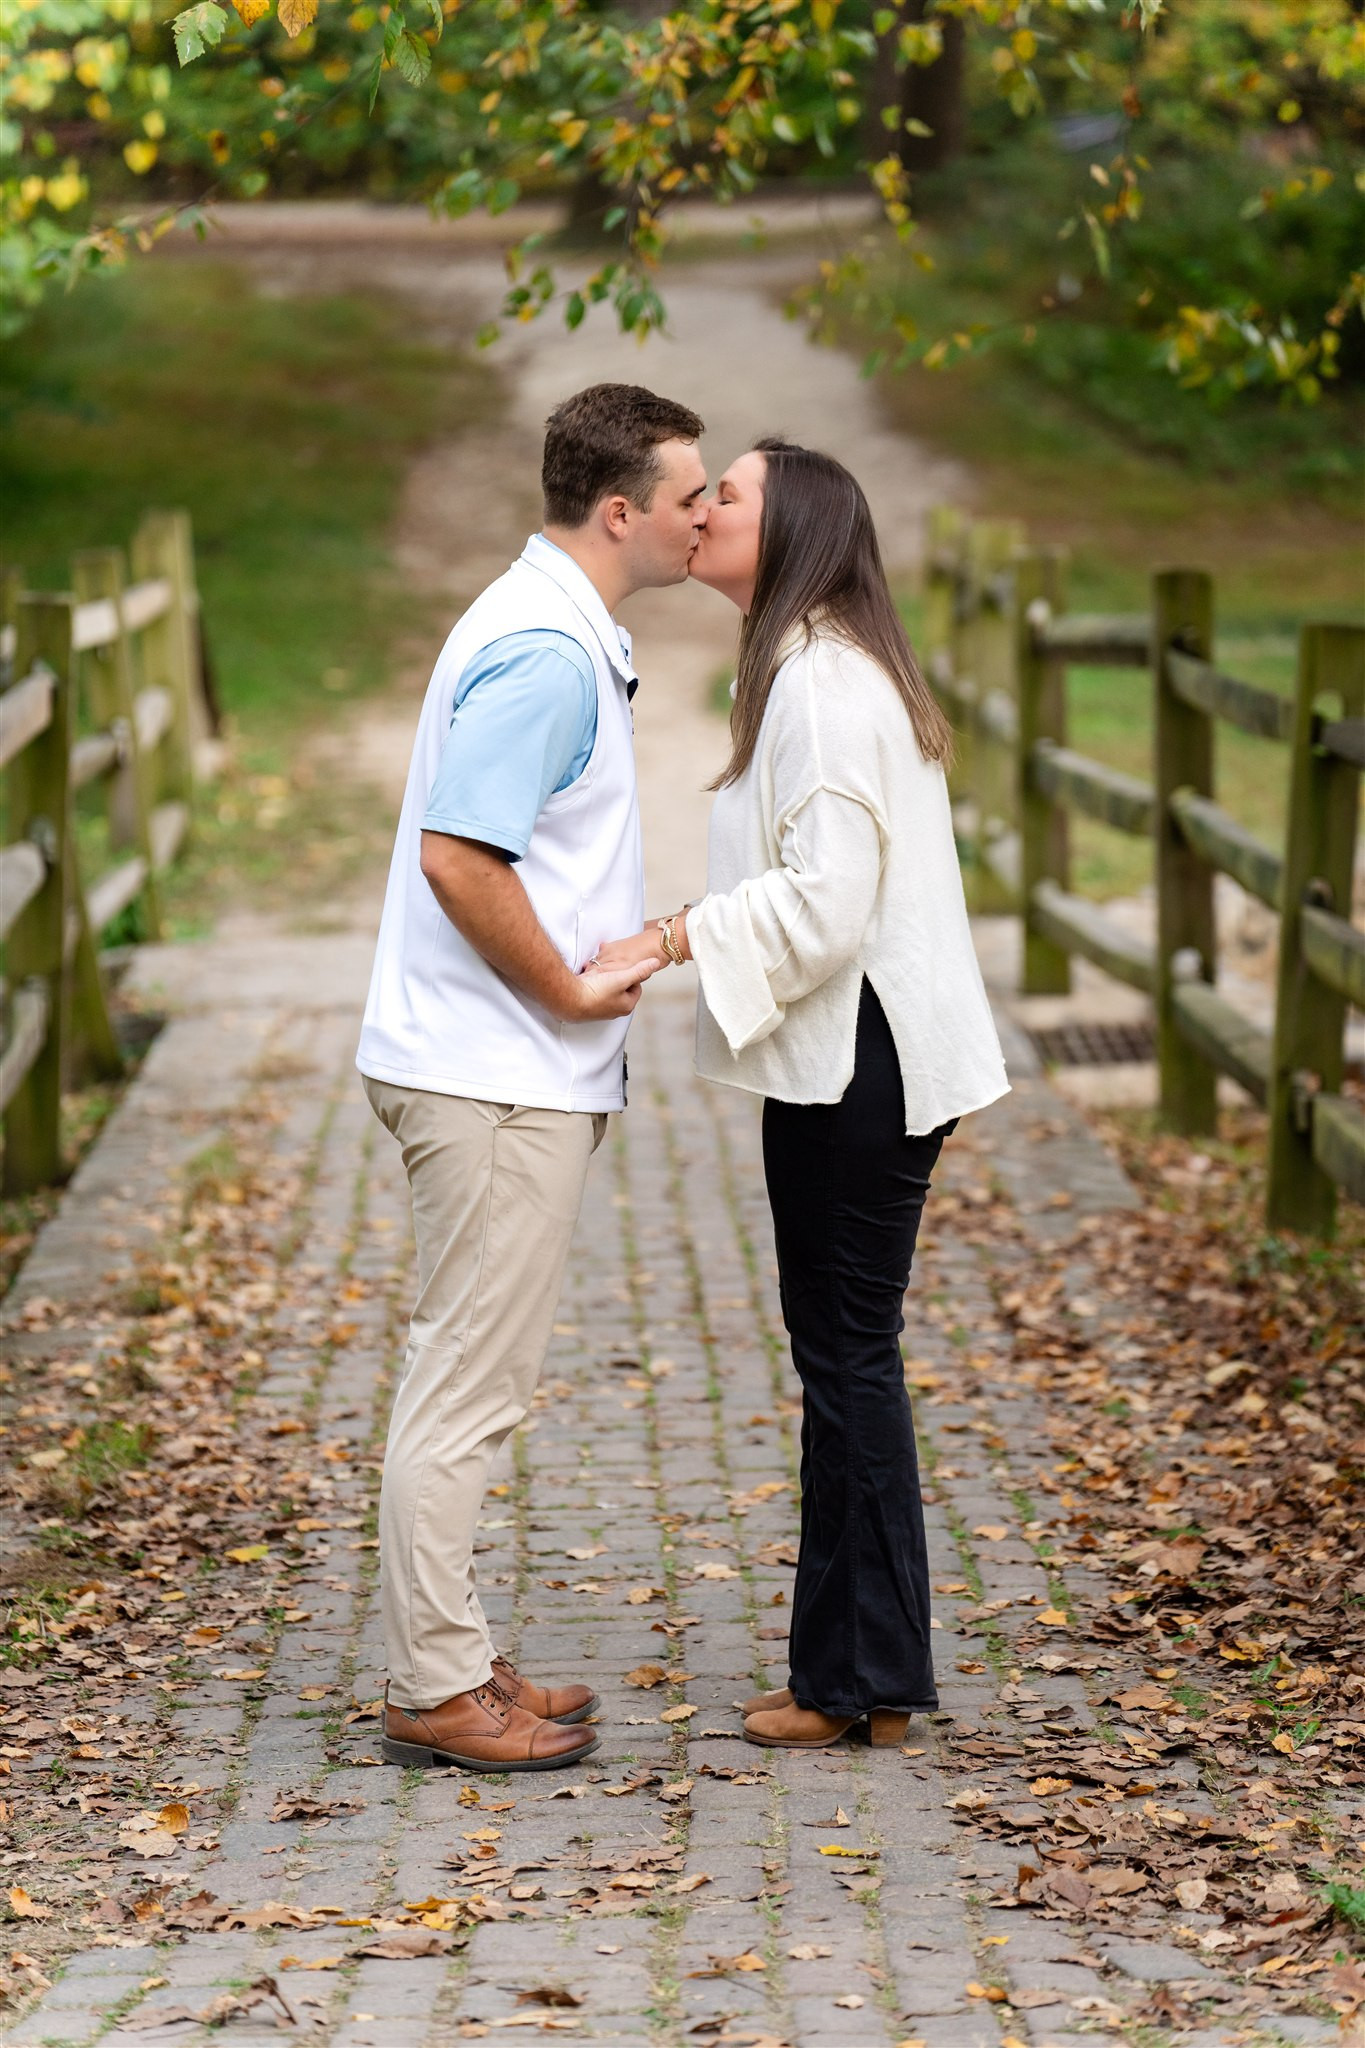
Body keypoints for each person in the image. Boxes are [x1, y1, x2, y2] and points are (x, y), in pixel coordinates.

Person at [595, 437, 1008, 1750]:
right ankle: (852, 1675)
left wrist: (672, 936)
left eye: (730, 492)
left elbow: (826, 907)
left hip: (860, 1059)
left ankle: (867, 1682)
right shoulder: (807, 667)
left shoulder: (824, 684)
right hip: (857, 1054)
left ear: (799, 530)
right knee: (844, 1358)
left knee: (847, 1361)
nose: (703, 507)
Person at [357, 384, 707, 1772]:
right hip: (494, 1074)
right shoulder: (547, 652)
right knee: (467, 1383)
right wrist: (567, 990)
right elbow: (460, 854)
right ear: (617, 511)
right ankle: (437, 1685)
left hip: (499, 1067)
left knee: (472, 1372)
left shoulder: (551, 623)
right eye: (687, 495)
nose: (702, 515)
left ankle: (451, 1647)